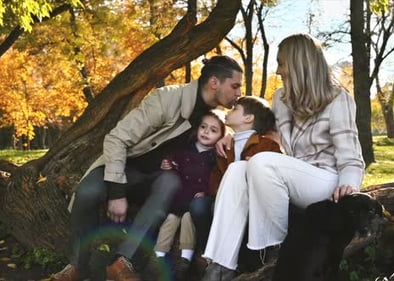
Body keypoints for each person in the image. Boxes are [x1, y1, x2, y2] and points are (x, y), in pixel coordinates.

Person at [51, 55, 243, 281]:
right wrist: (117, 193)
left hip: (159, 178)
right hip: (124, 168)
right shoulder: (166, 99)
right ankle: (78, 265)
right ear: (214, 83)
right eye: (235, 86)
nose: (238, 92)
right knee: (86, 193)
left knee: (170, 182)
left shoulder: (216, 117)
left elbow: (237, 125)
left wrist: (228, 137)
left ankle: (124, 263)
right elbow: (116, 139)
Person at [201, 33, 365, 281]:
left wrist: (350, 185)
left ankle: (273, 254)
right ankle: (220, 266)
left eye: (281, 63)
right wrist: (231, 136)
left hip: (326, 181)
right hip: (295, 177)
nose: (277, 71)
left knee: (261, 162)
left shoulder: (337, 98)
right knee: (236, 170)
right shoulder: (281, 98)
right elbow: (266, 129)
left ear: (299, 63)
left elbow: (351, 154)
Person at [201, 95, 282, 280]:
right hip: (227, 202)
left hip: (256, 202)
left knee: (239, 169)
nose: (229, 111)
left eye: (235, 109)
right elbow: (216, 178)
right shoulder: (224, 146)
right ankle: (217, 266)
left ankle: (219, 267)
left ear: (248, 118)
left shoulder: (267, 145)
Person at [153, 110, 225, 281]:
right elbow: (173, 161)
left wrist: (207, 193)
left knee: (188, 220)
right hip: (179, 197)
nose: (206, 132)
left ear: (222, 136)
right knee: (170, 220)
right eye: (204, 127)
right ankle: (158, 256)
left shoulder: (216, 157)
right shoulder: (185, 150)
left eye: (213, 130)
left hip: (195, 199)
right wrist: (167, 164)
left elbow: (218, 180)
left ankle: (185, 259)